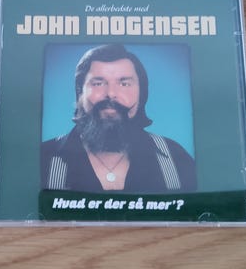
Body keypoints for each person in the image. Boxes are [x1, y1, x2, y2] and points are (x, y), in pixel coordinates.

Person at [41, 44, 196, 193]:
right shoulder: (44, 156)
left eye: (124, 84)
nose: (111, 94)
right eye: (98, 83)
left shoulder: (175, 157)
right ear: (79, 92)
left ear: (142, 94)